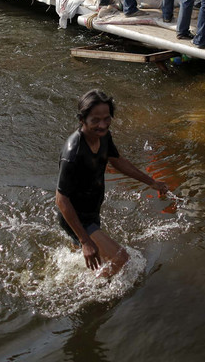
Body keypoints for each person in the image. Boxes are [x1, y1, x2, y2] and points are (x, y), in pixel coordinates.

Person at [56, 90, 169, 278]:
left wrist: (152, 182)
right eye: (95, 120)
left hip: (91, 209)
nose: (102, 125)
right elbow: (61, 199)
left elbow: (117, 160)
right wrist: (85, 240)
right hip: (77, 216)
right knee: (121, 259)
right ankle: (93, 293)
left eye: (107, 119)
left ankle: (76, 282)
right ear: (82, 119)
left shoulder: (104, 136)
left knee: (90, 260)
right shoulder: (73, 153)